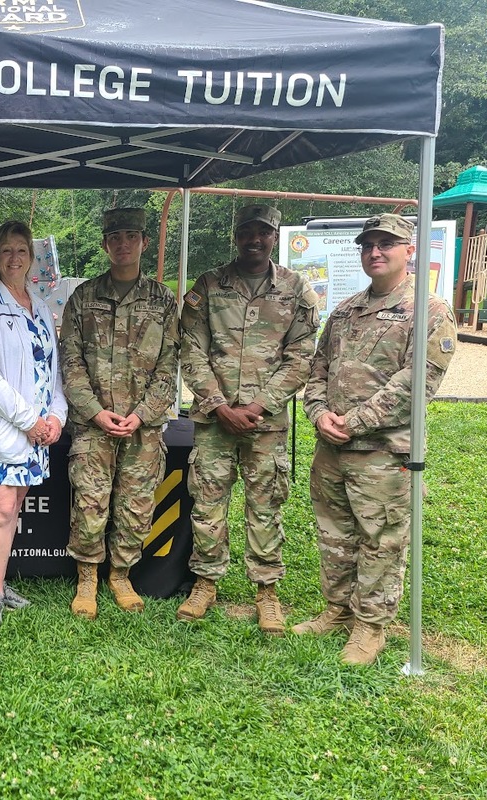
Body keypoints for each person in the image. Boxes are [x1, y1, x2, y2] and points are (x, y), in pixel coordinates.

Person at [295, 213, 456, 665]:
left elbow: (415, 384)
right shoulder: (345, 311)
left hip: (384, 453)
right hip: (332, 448)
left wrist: (354, 422)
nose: (375, 252)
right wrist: (319, 414)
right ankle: (338, 611)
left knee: (381, 540)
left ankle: (370, 627)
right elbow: (317, 370)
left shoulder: (429, 311)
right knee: (335, 535)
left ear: (410, 250)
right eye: (368, 245)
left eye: (386, 244)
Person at [177, 205, 319, 634]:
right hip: (214, 421)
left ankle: (266, 592)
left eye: (264, 232)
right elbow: (190, 348)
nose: (254, 240)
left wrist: (257, 406)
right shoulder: (209, 285)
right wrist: (220, 406)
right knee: (208, 503)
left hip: (265, 423)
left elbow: (301, 355)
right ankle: (205, 583)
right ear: (235, 236)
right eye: (246, 232)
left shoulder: (295, 289)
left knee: (265, 506)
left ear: (274, 236)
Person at [59, 208, 180, 620]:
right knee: (90, 503)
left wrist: (142, 414)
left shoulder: (163, 300)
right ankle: (87, 577)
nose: (123, 244)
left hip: (143, 428)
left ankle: (121, 574)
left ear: (144, 242)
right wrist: (95, 412)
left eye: (131, 236)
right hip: (93, 425)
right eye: (115, 237)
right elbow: (70, 362)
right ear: (104, 245)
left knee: (136, 504)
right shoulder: (83, 297)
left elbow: (169, 365)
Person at [0, 220, 67, 627]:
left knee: (15, 505)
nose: (14, 257)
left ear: (32, 258)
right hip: (3, 430)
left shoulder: (39, 307)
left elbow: (51, 370)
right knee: (2, 509)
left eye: (21, 249)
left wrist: (56, 415)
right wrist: (30, 422)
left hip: (35, 430)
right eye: (6, 250)